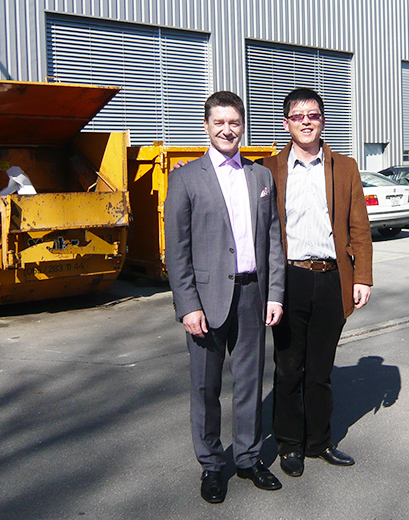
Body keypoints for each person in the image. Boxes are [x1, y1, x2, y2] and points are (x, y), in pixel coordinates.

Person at [164, 91, 286, 504]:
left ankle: (248, 458)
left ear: (243, 126)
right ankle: (213, 464)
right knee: (206, 387)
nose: (227, 130)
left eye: (234, 122)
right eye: (219, 122)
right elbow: (177, 250)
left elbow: (273, 240)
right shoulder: (185, 178)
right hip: (206, 299)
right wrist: (188, 305)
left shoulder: (260, 176)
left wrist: (274, 294)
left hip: (253, 294)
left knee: (250, 381)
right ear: (206, 126)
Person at [260, 88, 373, 478]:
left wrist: (362, 277)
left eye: (313, 115)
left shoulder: (345, 167)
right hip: (288, 279)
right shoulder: (269, 169)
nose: (305, 121)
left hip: (331, 278)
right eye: (298, 116)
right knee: (289, 368)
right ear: (286, 123)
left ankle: (320, 442)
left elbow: (359, 227)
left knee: (321, 369)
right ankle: (289, 444)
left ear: (323, 120)